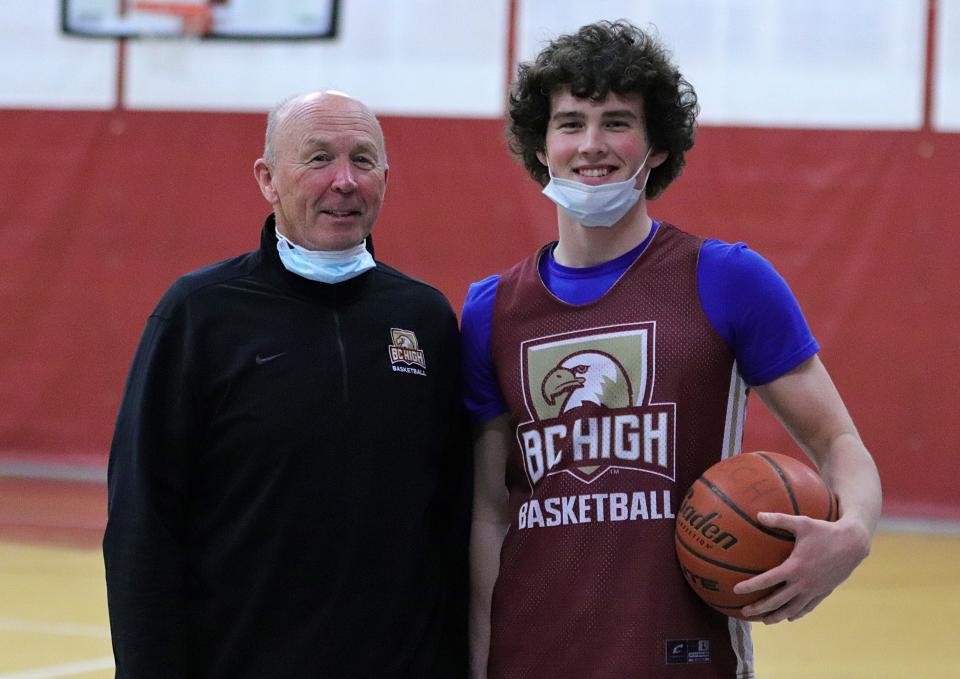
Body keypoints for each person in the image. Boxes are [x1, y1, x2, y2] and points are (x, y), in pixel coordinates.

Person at [461, 20, 882, 679]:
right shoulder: (490, 310)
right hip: (529, 656)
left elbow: (839, 443)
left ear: (656, 145)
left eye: (617, 121)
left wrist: (852, 532)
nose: (592, 145)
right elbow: (489, 510)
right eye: (570, 123)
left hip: (682, 657)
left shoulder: (727, 278)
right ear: (541, 146)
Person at [104, 90, 469, 679]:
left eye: (364, 160)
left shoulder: (424, 318)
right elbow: (142, 522)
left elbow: (452, 521)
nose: (345, 181)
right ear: (268, 179)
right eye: (318, 158)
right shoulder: (199, 314)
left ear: (385, 179)